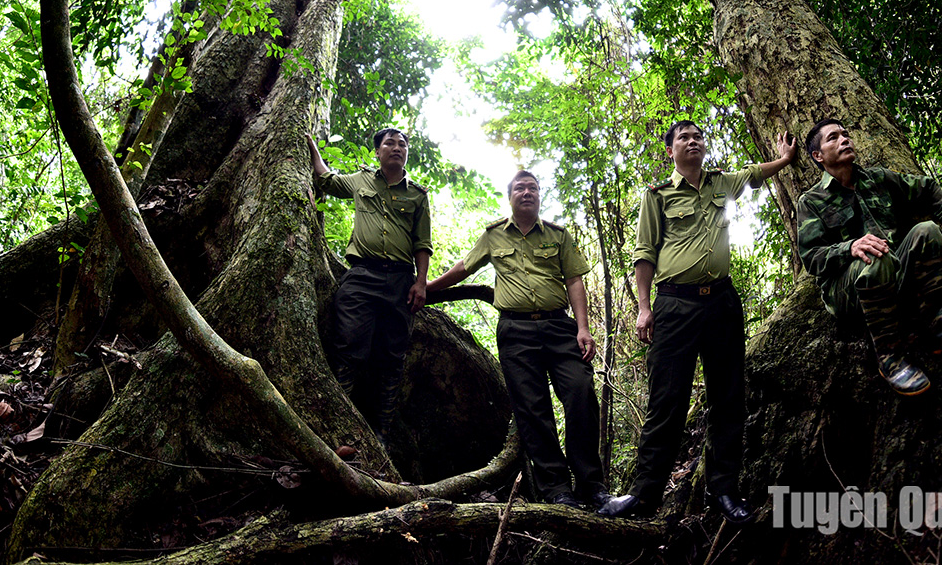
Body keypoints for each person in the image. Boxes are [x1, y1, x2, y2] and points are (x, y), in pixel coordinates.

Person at [600, 121, 797, 524]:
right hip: (674, 306)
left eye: (698, 137)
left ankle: (723, 491)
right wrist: (643, 306)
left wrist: (786, 159)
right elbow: (644, 253)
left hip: (722, 303)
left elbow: (756, 173)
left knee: (728, 398)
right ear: (670, 150)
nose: (693, 142)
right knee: (665, 402)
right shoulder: (657, 195)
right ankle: (644, 495)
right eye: (684, 138)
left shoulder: (721, 183)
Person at [427, 170, 610, 511]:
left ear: (540, 196)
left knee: (581, 395)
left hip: (559, 328)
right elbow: (463, 268)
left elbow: (574, 281)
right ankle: (557, 490)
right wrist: (426, 287)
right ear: (509, 196)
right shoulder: (494, 235)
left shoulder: (558, 235)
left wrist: (583, 328)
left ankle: (592, 487)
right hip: (516, 333)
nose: (527, 192)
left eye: (533, 187)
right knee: (533, 409)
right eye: (520, 188)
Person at [796, 118, 942, 397]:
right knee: (876, 256)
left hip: (895, 271)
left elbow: (928, 188)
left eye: (846, 134)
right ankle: (890, 358)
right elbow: (811, 258)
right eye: (833, 138)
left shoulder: (878, 178)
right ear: (818, 156)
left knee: (927, 230)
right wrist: (849, 247)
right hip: (849, 292)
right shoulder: (811, 201)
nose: (845, 140)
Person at [307, 128, 431, 440]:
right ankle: (340, 431)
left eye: (402, 144)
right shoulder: (361, 180)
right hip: (362, 276)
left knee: (392, 359)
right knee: (348, 349)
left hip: (401, 282)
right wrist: (310, 145)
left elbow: (422, 243)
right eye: (390, 143)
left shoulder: (417, 194)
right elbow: (327, 179)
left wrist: (420, 283)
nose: (397, 147)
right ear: (377, 151)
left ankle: (381, 436)